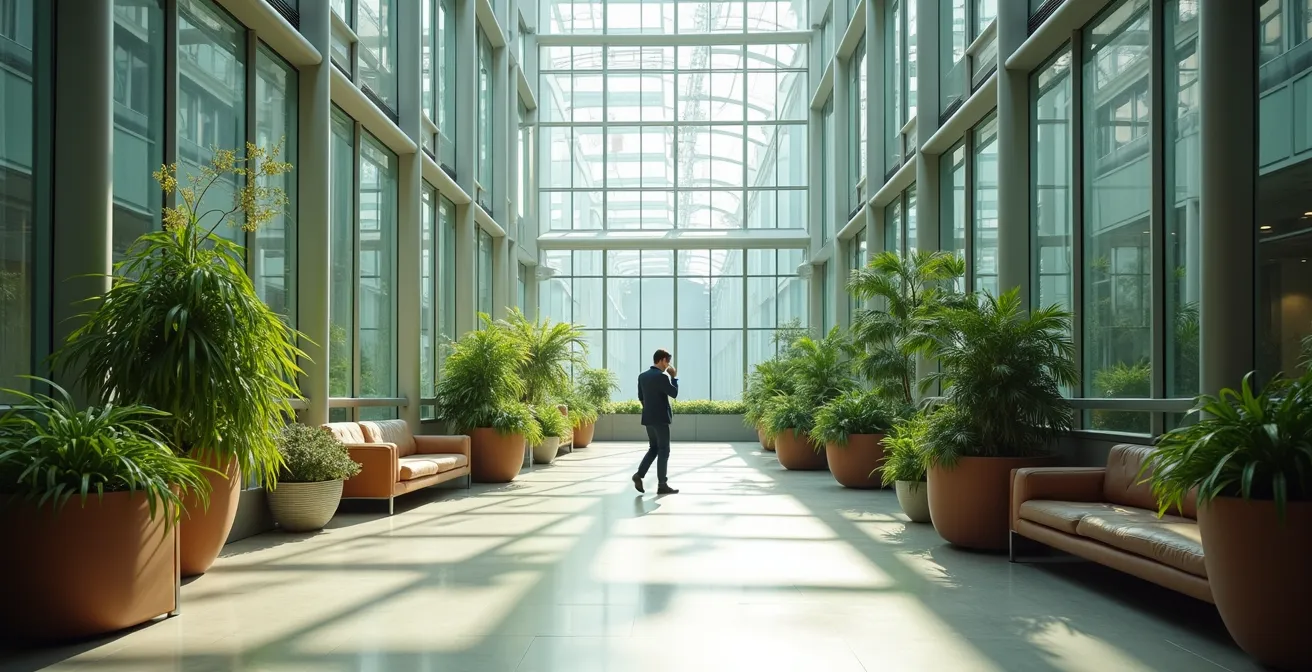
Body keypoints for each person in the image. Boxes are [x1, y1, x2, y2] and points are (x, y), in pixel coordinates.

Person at [633, 348, 679, 495]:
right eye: (667, 361)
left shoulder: (642, 376)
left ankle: (639, 475)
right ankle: (662, 484)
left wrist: (649, 409)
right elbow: (674, 393)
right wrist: (674, 377)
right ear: (661, 360)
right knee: (664, 450)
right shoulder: (662, 377)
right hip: (661, 420)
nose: (668, 365)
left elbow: (641, 397)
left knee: (653, 448)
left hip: (648, 418)